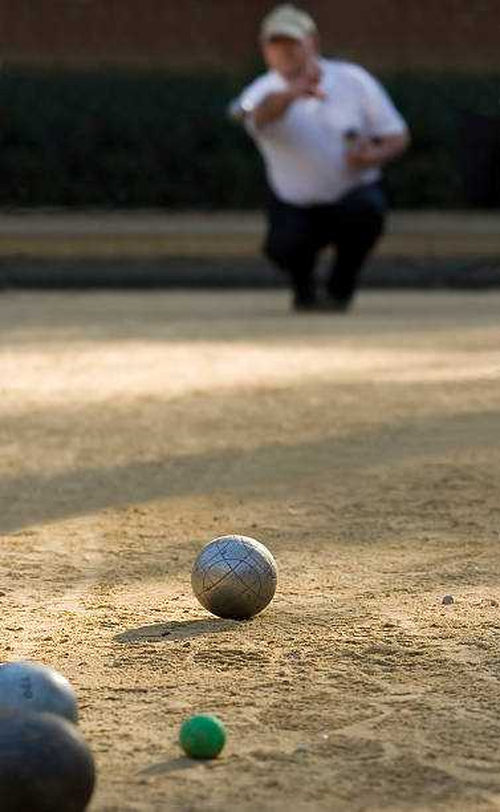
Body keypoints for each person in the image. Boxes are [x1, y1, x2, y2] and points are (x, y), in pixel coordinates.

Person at [230, 4, 410, 312]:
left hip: (349, 197)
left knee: (367, 211)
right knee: (283, 248)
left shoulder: (353, 80)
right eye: (276, 44)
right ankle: (305, 292)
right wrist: (291, 94)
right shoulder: (263, 90)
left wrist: (372, 156)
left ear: (312, 42)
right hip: (294, 204)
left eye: (292, 43)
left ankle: (341, 288)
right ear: (264, 49)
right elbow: (252, 115)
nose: (284, 51)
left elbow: (398, 136)